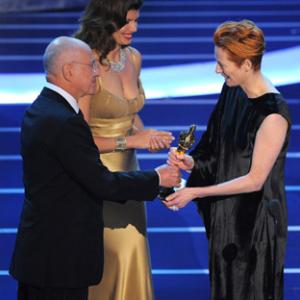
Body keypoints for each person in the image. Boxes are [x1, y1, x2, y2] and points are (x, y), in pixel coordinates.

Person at [9, 36, 180, 300]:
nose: (98, 71)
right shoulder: (64, 121)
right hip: (59, 264)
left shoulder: (44, 109)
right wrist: (157, 178)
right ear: (68, 71)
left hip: (44, 256)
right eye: (90, 65)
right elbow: (102, 183)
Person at [165, 20, 291, 300]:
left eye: (222, 64)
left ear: (246, 64)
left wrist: (195, 191)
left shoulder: (273, 115)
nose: (216, 69)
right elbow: (214, 147)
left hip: (254, 225)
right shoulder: (234, 90)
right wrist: (193, 164)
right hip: (226, 216)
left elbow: (255, 180)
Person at [74, 1, 174, 299]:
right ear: (106, 20)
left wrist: (146, 135)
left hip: (130, 173)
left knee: (134, 247)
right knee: (112, 254)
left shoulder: (134, 57)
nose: (135, 28)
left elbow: (128, 115)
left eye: (136, 20)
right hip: (95, 174)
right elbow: (74, 139)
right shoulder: (84, 63)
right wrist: (132, 140)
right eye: (127, 22)